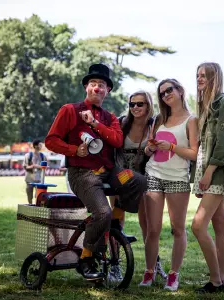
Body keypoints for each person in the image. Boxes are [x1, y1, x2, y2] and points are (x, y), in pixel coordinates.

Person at [45, 63, 147, 281]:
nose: (97, 88)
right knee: (102, 212)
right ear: (86, 87)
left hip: (110, 172)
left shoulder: (110, 118)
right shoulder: (69, 110)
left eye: (101, 85)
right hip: (82, 173)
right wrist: (74, 150)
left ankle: (116, 228)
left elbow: (117, 140)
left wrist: (96, 125)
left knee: (137, 180)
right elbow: (51, 141)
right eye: (93, 84)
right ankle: (86, 258)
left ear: (107, 90)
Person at [139, 79, 199, 291]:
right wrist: (150, 149)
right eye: (162, 93)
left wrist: (172, 146)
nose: (166, 95)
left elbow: (194, 153)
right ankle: (149, 271)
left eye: (169, 90)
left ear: (180, 91)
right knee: (153, 229)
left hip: (178, 178)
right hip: (154, 174)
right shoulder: (159, 119)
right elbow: (148, 149)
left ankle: (173, 275)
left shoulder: (192, 120)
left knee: (177, 229)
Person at [191, 62, 224, 293]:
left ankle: (216, 280)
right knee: (219, 224)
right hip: (208, 171)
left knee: (198, 225)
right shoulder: (205, 105)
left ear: (214, 78)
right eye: (197, 75)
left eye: (204, 75)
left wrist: (207, 174)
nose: (199, 79)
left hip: (217, 172)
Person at [113, 90, 167, 280]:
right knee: (116, 220)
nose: (135, 107)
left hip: (144, 177)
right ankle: (114, 265)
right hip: (121, 176)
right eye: (132, 104)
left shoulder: (155, 124)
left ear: (148, 105)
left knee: (148, 225)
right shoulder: (121, 123)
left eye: (140, 104)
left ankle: (154, 265)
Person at [23, 139, 47, 204]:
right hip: (29, 179)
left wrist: (37, 166)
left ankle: (37, 207)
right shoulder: (28, 155)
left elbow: (45, 167)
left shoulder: (43, 156)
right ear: (35, 146)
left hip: (39, 179)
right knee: (29, 195)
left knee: (39, 196)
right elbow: (25, 167)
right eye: (40, 145)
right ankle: (30, 206)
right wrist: (33, 166)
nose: (41, 146)